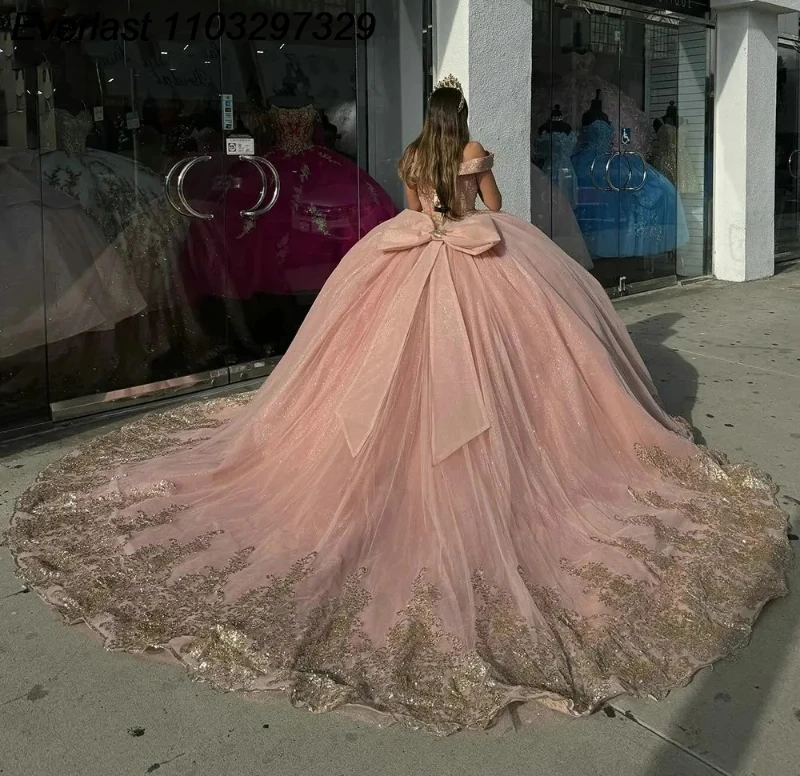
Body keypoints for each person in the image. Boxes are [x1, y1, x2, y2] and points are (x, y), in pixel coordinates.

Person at [7, 75, 792, 737]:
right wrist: (472, 203)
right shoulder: (474, 154)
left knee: (378, 370)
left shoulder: (414, 156)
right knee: (512, 376)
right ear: (466, 122)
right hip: (476, 266)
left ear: (427, 123)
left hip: (408, 264)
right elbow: (490, 206)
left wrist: (437, 214)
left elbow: (420, 207)